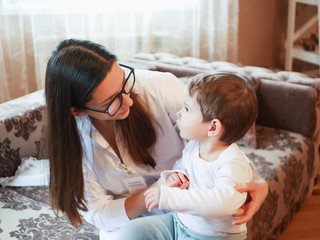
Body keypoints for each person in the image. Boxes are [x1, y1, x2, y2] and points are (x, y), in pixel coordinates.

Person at [44, 39, 268, 239]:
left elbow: (214, 137)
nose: (129, 101)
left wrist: (256, 180)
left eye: (124, 83)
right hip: (142, 216)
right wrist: (160, 191)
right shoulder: (74, 144)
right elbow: (101, 213)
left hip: (192, 213)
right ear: (77, 111)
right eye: (110, 101)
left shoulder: (159, 87)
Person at [115, 73, 259, 240]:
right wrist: (177, 175)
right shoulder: (194, 145)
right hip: (179, 222)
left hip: (211, 236)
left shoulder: (232, 162)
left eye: (187, 109)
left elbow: (225, 203)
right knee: (130, 232)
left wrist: (170, 198)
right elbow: (182, 165)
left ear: (213, 127)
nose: (179, 113)